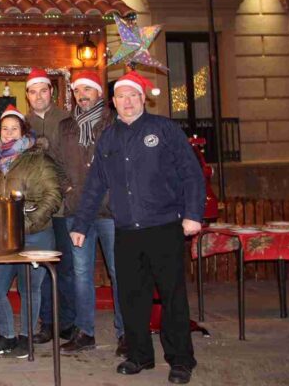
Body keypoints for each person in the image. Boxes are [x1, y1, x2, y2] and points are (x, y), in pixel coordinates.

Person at [69, 70, 204, 385]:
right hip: (126, 231)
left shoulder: (164, 129)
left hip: (164, 226)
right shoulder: (109, 137)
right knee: (131, 297)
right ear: (113, 102)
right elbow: (95, 185)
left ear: (143, 98)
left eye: (132, 95)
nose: (127, 102)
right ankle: (139, 354)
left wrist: (192, 213)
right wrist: (81, 224)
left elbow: (191, 174)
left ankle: (181, 359)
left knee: (172, 296)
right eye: (121, 97)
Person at [52, 71, 124, 356]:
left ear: (98, 93)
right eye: (77, 90)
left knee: (119, 272)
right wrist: (66, 187)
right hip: (77, 211)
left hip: (110, 211)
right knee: (81, 273)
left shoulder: (114, 123)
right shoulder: (65, 127)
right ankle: (85, 332)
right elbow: (55, 162)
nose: (82, 94)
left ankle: (125, 332)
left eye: (87, 89)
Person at [0, 105, 61, 359]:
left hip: (35, 233)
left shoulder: (37, 157)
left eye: (14, 128)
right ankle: (6, 336)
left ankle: (26, 339)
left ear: (23, 131)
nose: (9, 133)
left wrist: (29, 224)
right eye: (4, 129)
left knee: (29, 288)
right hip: (3, 237)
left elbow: (53, 195)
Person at [23, 68, 76, 343]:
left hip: (64, 206)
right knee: (41, 267)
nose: (39, 95)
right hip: (39, 207)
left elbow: (72, 159)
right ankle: (46, 322)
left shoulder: (67, 120)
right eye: (33, 91)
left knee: (66, 266)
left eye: (43, 90)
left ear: (51, 92)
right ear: (28, 96)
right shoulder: (23, 123)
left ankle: (67, 321)